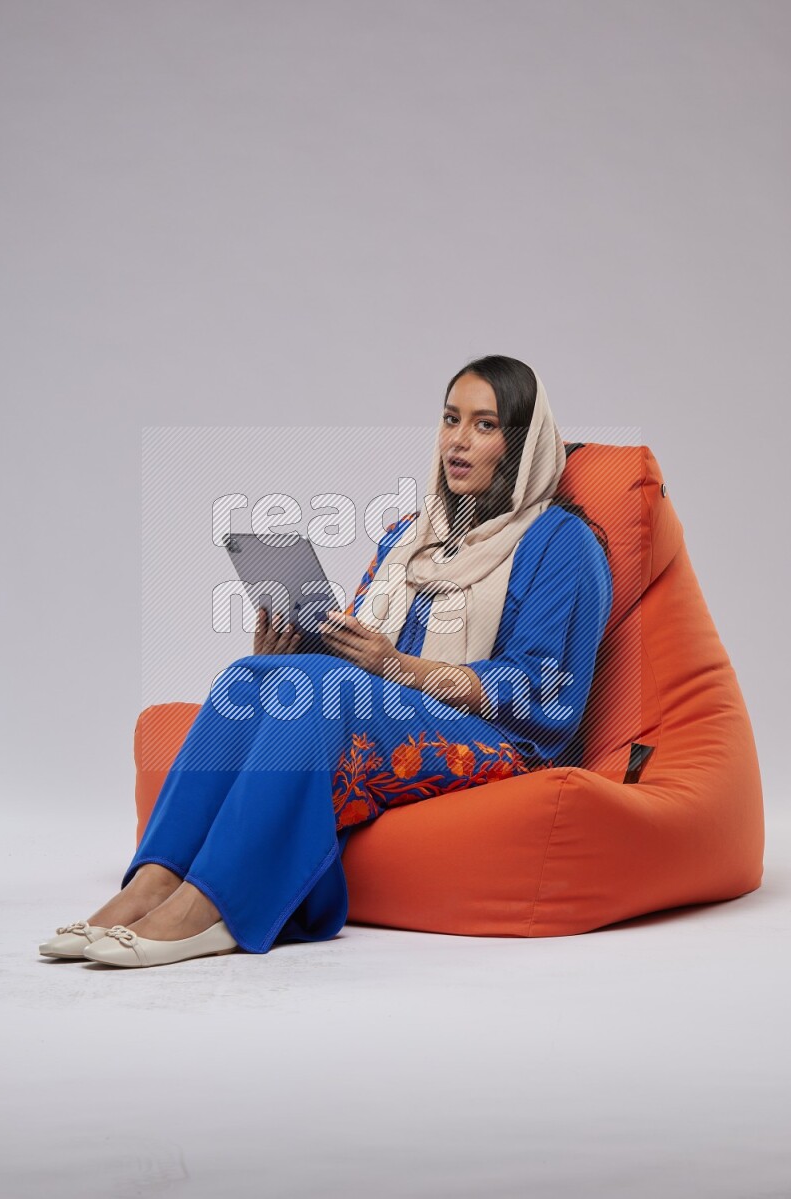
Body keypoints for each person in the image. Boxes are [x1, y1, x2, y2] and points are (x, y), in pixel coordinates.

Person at [38, 356, 613, 968]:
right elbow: (356, 653)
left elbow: (549, 690)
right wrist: (291, 654)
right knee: (246, 679)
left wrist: (396, 668)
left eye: (485, 425)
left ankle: (215, 907)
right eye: (450, 420)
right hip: (392, 705)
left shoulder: (560, 541)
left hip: (501, 742)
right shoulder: (407, 538)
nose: (458, 441)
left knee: (324, 692)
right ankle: (151, 884)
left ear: (521, 444)